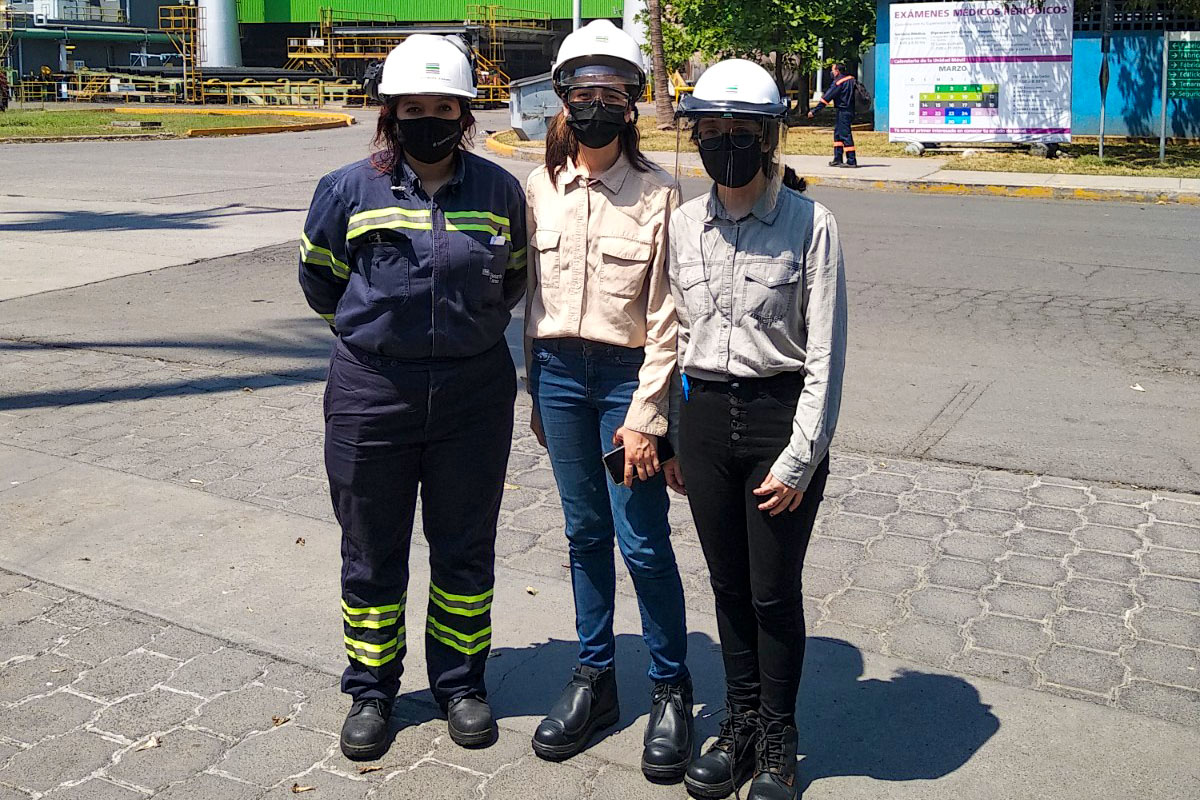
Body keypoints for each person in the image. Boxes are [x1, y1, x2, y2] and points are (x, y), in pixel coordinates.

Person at [298, 34, 528, 760]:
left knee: (465, 548)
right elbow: (321, 281)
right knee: (371, 548)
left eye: (442, 106)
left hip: (473, 395)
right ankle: (372, 690)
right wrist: (380, 343)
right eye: (412, 107)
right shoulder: (347, 189)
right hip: (373, 393)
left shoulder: (499, 191)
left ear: (465, 113)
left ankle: (461, 684)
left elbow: (513, 278)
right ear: (389, 113)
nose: (427, 117)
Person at [672, 60, 847, 800]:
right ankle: (738, 722)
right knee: (726, 585)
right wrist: (667, 431)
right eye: (712, 128)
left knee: (773, 590)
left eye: (744, 129)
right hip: (704, 419)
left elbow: (826, 359)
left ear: (770, 135)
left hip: (778, 421)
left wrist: (800, 460)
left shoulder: (812, 225)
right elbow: (670, 333)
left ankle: (779, 736)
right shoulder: (684, 223)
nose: (727, 142)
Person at [524, 18, 693, 782]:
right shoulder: (540, 187)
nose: (596, 104)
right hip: (558, 375)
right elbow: (525, 303)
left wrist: (647, 418)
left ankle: (670, 687)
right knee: (583, 534)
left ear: (631, 105)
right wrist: (533, 388)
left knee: (643, 540)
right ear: (562, 100)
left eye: (612, 93)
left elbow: (668, 320)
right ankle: (597, 678)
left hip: (627, 381)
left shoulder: (660, 194)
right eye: (583, 92)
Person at [808, 63, 858, 168]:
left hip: (843, 111)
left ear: (837, 71)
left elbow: (826, 98)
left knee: (845, 134)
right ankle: (838, 158)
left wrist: (814, 111)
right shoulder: (851, 80)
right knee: (838, 134)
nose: (832, 73)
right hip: (849, 110)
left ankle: (851, 160)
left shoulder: (838, 82)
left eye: (833, 70)